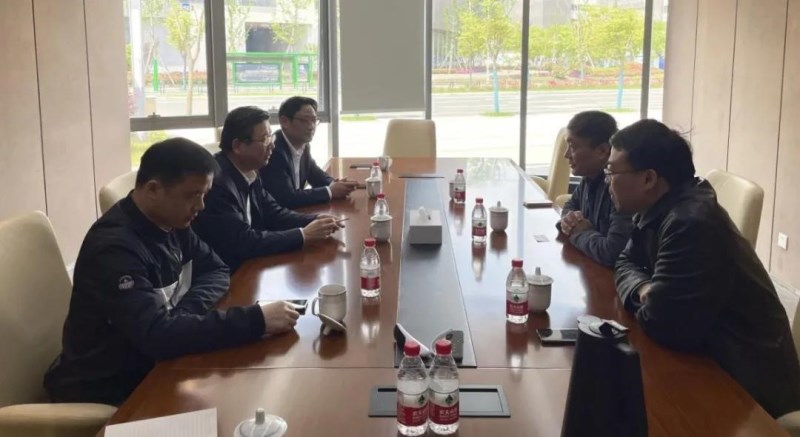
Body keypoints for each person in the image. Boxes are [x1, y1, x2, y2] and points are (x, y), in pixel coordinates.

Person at [43, 138, 300, 405]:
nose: (201, 206)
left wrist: (183, 313)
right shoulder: (114, 250)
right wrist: (256, 319)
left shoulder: (172, 222)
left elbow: (216, 269)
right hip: (110, 388)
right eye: (192, 195)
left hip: (156, 365)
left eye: (204, 195)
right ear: (153, 189)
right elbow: (157, 337)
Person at [608, 119, 800, 419]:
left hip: (747, 388)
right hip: (708, 356)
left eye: (612, 172)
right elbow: (624, 261)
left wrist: (653, 297)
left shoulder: (690, 223)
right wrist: (645, 289)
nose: (608, 181)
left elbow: (663, 323)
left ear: (648, 179)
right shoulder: (659, 209)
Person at [192, 106, 343, 271]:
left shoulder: (249, 170)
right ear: (238, 145)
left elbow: (273, 212)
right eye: (264, 139)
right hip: (229, 272)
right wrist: (303, 235)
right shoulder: (217, 184)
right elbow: (243, 241)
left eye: (270, 136)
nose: (272, 145)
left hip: (251, 263)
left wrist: (315, 220)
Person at [558, 111, 633, 267]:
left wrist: (579, 232)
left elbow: (612, 253)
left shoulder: (620, 189)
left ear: (602, 151)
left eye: (572, 146)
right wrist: (570, 220)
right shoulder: (589, 178)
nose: (566, 155)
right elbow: (570, 205)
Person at [260, 96, 357, 208]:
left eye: (314, 120)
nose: (311, 127)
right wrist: (329, 191)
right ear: (284, 121)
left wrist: (334, 184)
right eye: (304, 120)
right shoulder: (273, 151)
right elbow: (287, 198)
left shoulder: (303, 145)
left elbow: (315, 175)